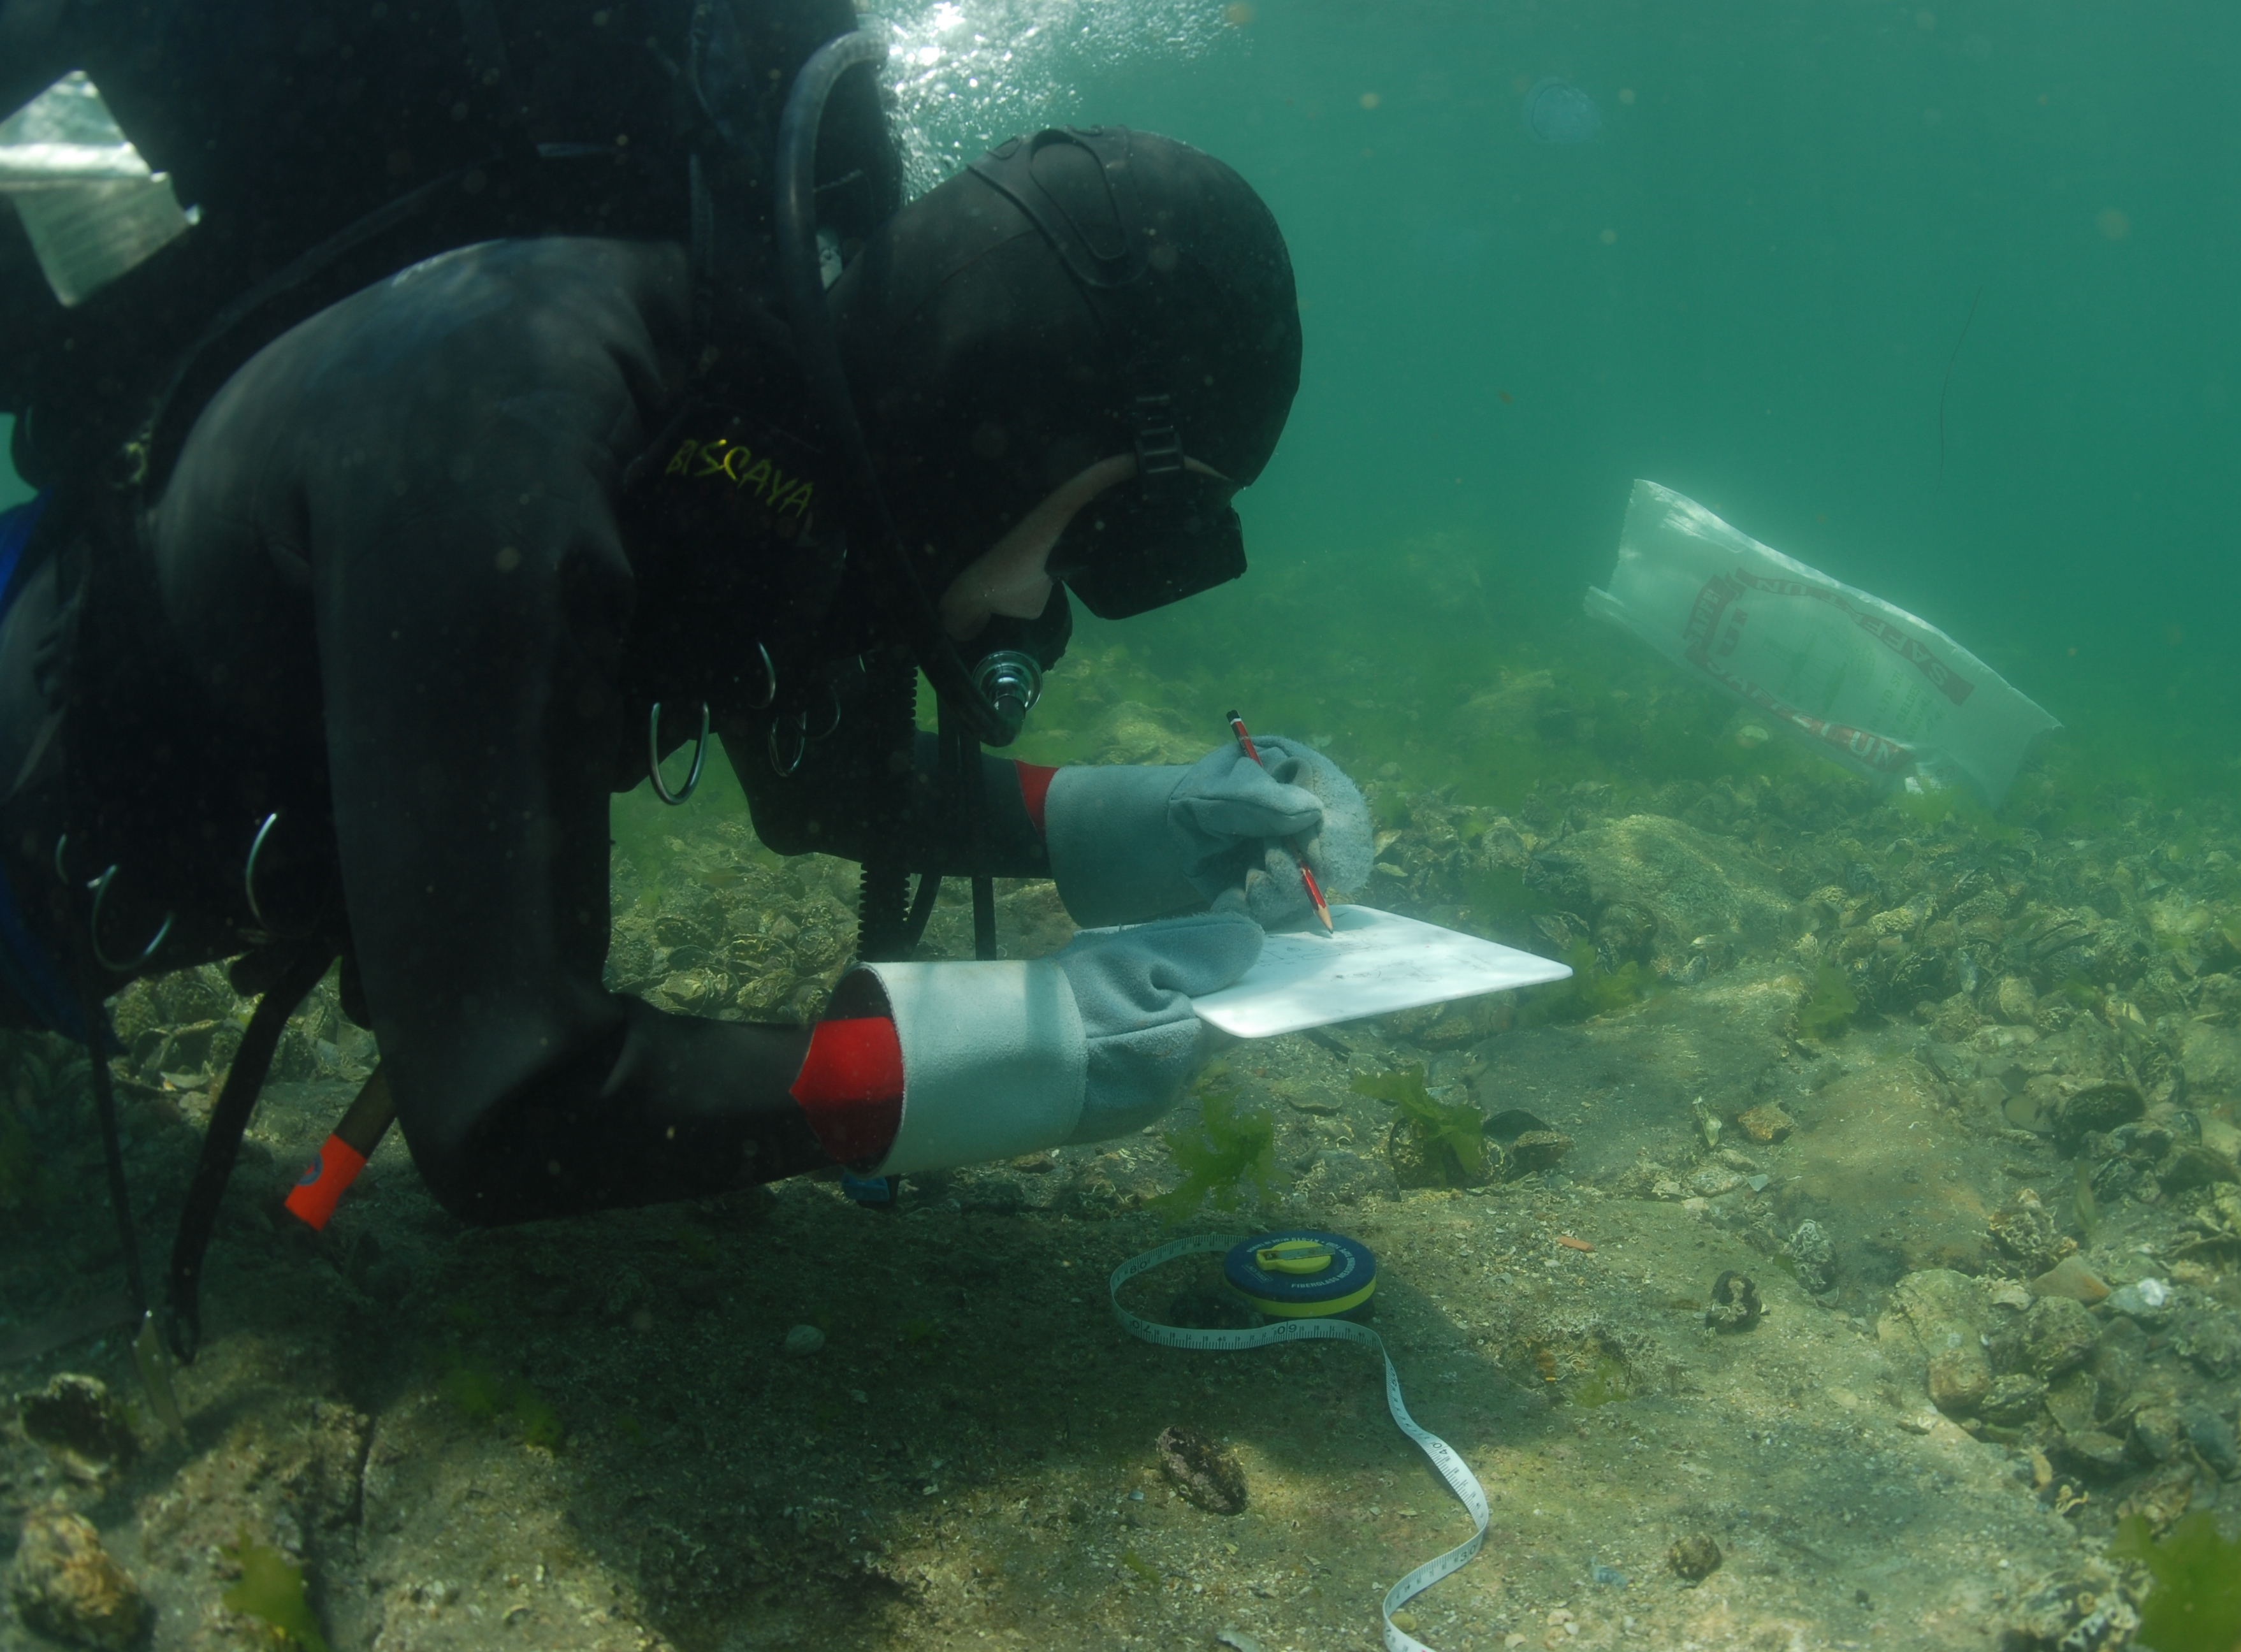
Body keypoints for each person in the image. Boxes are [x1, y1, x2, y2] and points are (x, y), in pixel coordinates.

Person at [0, 1, 1370, 1254]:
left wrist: (1138, 819)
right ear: (1002, 420)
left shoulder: (755, 450)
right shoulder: (512, 422)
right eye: (1102, 533)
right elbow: (508, 1109)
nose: (1045, 605)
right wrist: (1029, 1046)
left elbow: (826, 777)